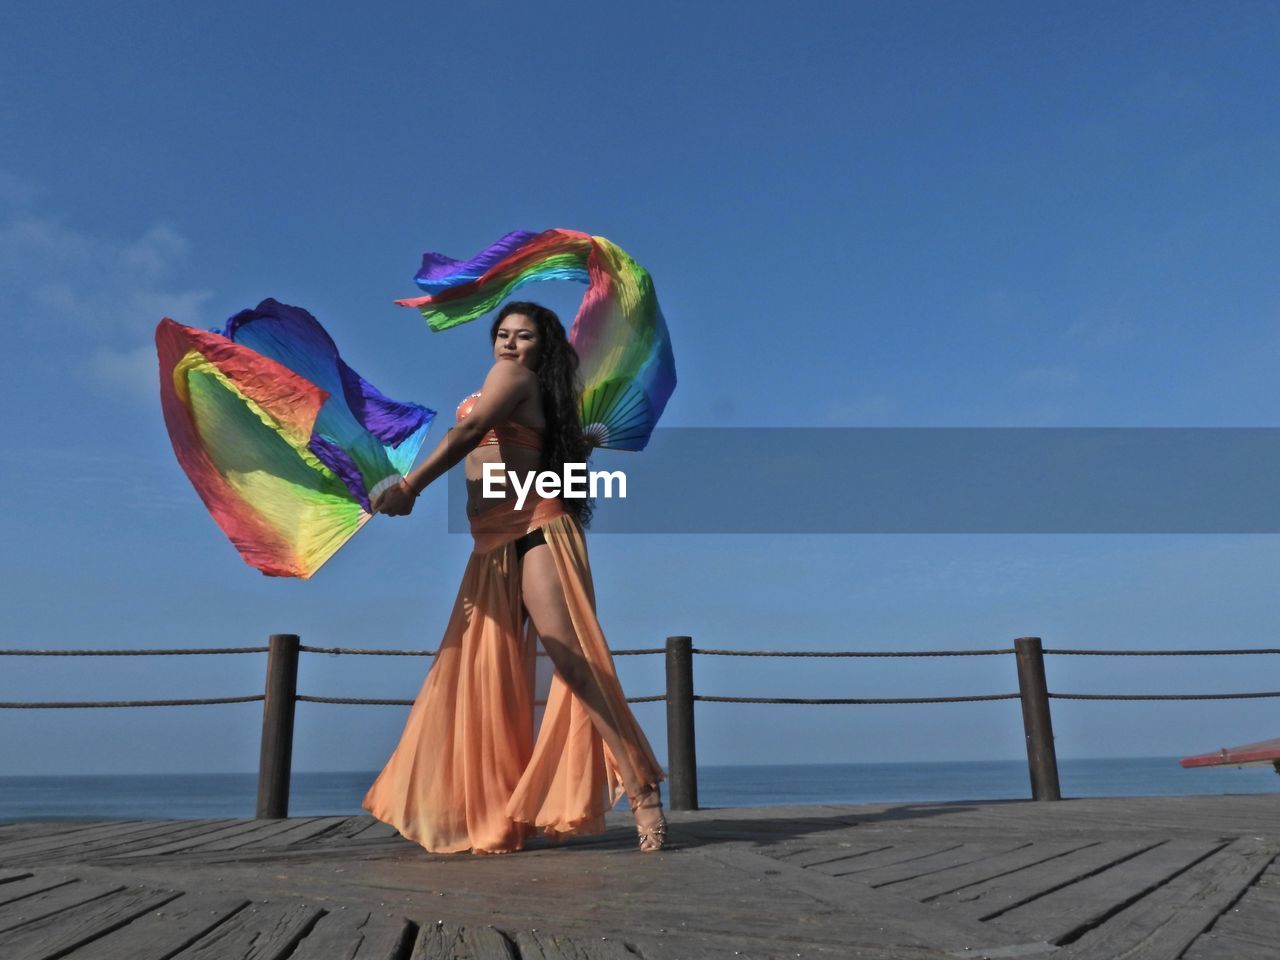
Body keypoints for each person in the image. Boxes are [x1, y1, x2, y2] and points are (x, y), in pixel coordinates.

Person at [364, 301, 667, 854]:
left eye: (523, 336)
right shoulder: (529, 389)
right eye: (501, 335)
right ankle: (496, 809)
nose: (508, 344)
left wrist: (412, 489)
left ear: (541, 348)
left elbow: (473, 429)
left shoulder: (515, 379)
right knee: (477, 667)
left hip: (537, 529)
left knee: (571, 659)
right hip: (491, 541)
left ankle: (641, 785)